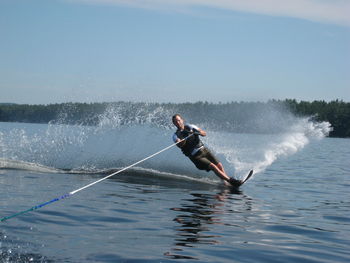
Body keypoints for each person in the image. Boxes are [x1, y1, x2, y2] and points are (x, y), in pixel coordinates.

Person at [172, 114, 243, 187]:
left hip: (204, 150)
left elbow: (204, 133)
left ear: (182, 120)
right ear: (174, 124)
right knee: (213, 166)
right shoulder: (176, 135)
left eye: (178, 120)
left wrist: (197, 132)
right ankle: (231, 181)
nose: (178, 122)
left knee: (219, 165)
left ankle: (225, 182)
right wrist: (182, 140)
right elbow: (179, 145)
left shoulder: (191, 127)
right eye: (175, 122)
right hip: (196, 157)